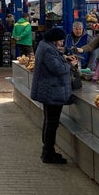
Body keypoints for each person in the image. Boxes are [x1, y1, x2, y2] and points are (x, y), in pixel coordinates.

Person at [31, 27, 76, 164]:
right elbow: (57, 69)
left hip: (49, 90)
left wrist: (64, 58)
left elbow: (54, 61)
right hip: (52, 91)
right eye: (61, 40)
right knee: (52, 123)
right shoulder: (48, 50)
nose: (62, 43)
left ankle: (47, 150)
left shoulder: (44, 45)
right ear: (55, 40)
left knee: (48, 120)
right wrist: (70, 65)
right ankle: (48, 153)